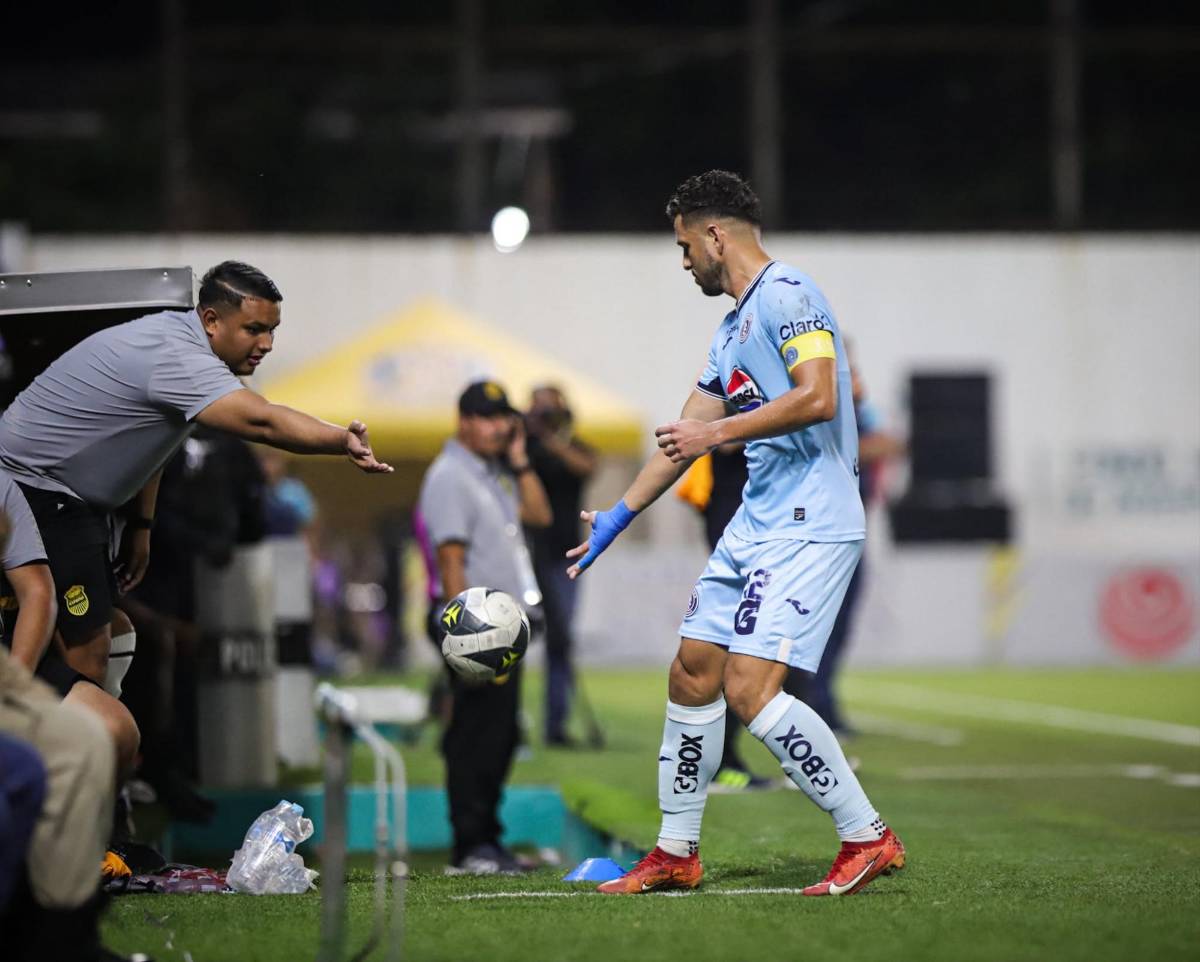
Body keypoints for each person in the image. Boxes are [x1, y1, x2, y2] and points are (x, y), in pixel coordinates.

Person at [567, 170, 904, 896]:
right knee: (692, 671)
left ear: (715, 236)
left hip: (811, 523)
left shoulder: (790, 294)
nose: (684, 261)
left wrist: (716, 433)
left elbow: (818, 397)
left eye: (684, 246)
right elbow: (680, 440)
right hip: (756, 522)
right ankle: (675, 852)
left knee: (749, 689)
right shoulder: (730, 332)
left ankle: (867, 835)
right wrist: (617, 518)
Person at [0, 261, 391, 752]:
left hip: (67, 498)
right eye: (254, 329)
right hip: (35, 488)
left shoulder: (180, 345)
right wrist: (340, 440)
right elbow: (264, 422)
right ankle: (61, 772)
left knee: (119, 633)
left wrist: (141, 524)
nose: (267, 343)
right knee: (90, 651)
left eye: (272, 330)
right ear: (211, 320)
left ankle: (98, 770)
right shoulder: (177, 357)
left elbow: (151, 438)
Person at [416, 380, 551, 874]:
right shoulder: (450, 475)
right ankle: (471, 846)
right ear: (464, 421)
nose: (499, 428)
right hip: (474, 628)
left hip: (498, 629)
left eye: (503, 418)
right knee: (476, 735)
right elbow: (451, 560)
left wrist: (520, 459)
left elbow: (540, 515)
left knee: (499, 734)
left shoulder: (492, 472)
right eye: (488, 418)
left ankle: (487, 841)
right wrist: (467, 637)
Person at [524, 385, 597, 745]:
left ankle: (556, 723)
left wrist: (552, 440)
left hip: (564, 558)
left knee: (560, 639)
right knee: (507, 633)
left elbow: (587, 466)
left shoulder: (571, 446)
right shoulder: (523, 449)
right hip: (524, 554)